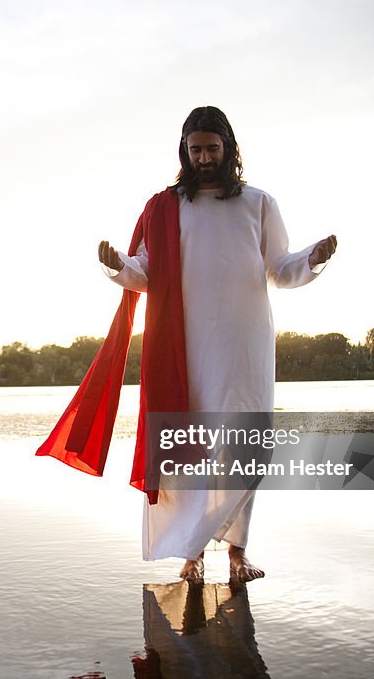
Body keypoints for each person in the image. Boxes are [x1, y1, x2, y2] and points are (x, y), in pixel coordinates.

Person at [38, 106, 336, 585]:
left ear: (229, 150)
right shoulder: (167, 206)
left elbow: (279, 268)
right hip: (186, 346)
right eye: (195, 149)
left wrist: (312, 258)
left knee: (248, 446)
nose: (203, 157)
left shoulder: (259, 203)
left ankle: (238, 552)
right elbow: (145, 272)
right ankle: (192, 553)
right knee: (189, 447)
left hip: (245, 343)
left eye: (211, 149)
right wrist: (116, 265)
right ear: (185, 151)